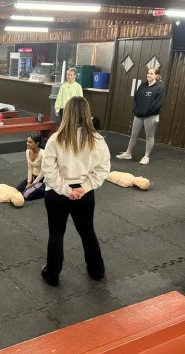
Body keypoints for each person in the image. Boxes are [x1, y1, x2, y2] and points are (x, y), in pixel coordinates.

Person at [41, 97, 110, 286]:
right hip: (83, 195)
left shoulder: (55, 139)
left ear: (67, 113)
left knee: (56, 234)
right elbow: (103, 169)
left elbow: (48, 171)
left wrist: (66, 190)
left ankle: (52, 275)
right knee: (87, 232)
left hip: (57, 194)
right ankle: (97, 272)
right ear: (87, 114)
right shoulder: (97, 140)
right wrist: (83, 189)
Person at [116, 67, 166, 165]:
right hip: (138, 115)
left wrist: (147, 112)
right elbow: (136, 98)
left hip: (151, 116)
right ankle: (128, 153)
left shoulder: (160, 87)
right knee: (133, 135)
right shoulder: (143, 86)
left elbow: (158, 103)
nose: (148, 75)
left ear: (156, 75)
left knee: (149, 136)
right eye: (148, 73)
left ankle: (146, 157)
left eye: (151, 73)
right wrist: (136, 110)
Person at [15, 134, 45, 200]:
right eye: (27, 141)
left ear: (37, 143)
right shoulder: (27, 151)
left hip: (42, 180)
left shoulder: (43, 154)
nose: (27, 143)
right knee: (17, 190)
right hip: (33, 177)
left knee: (25, 195)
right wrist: (29, 182)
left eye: (30, 142)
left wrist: (32, 184)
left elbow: (43, 172)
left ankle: (47, 191)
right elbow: (30, 168)